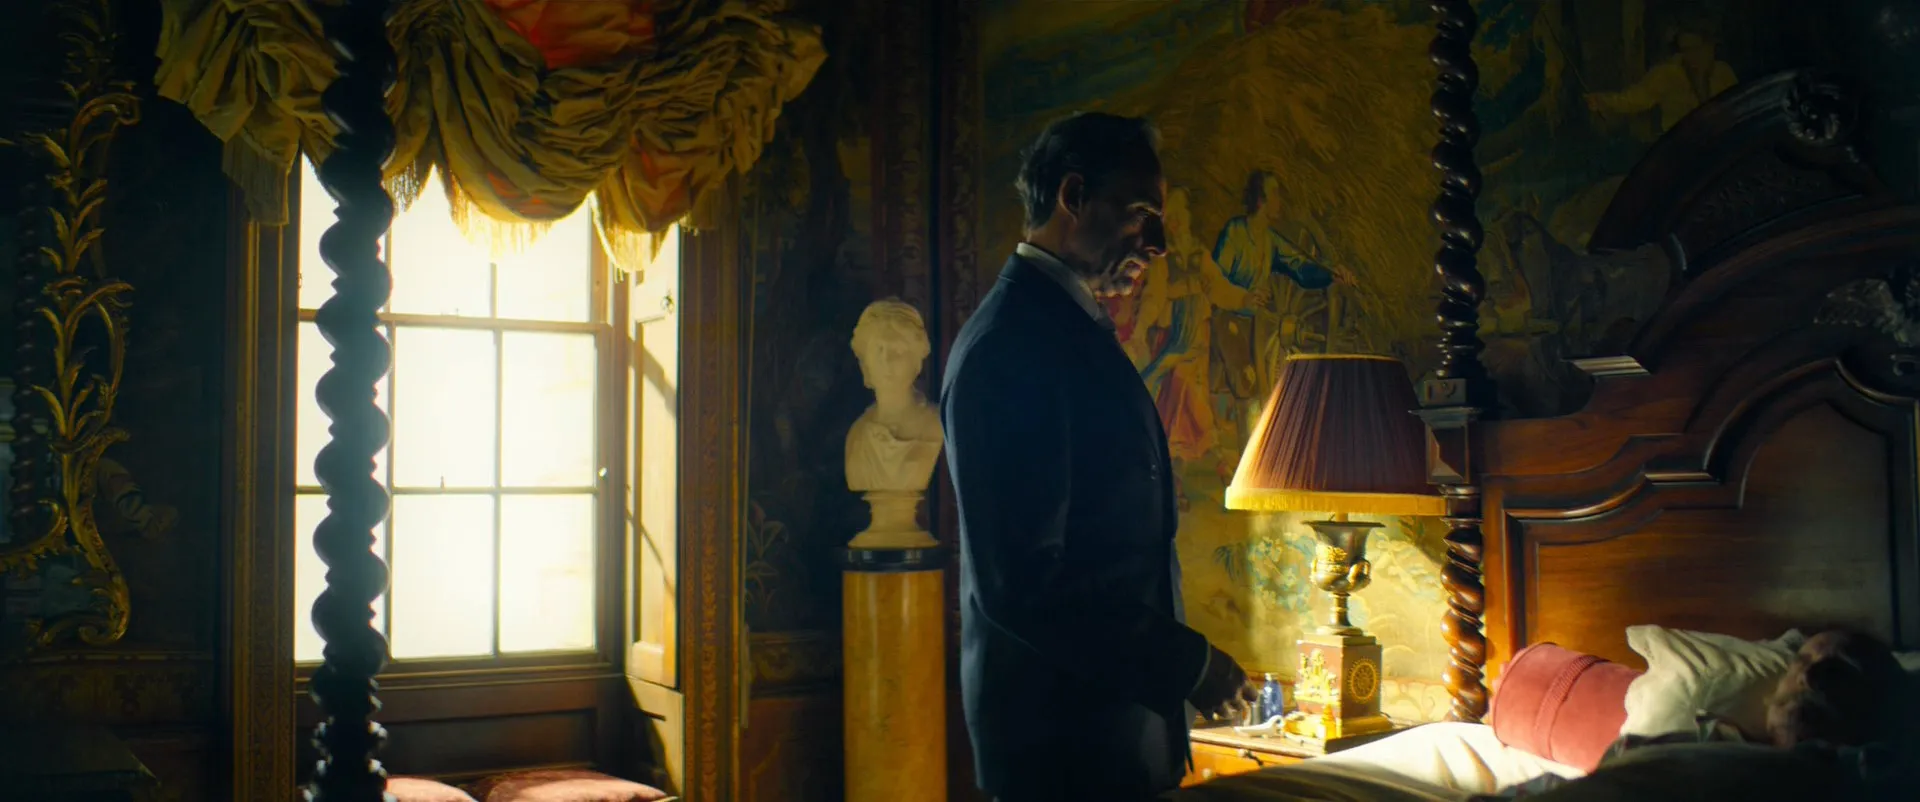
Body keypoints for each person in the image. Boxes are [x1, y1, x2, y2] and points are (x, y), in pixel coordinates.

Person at [941, 112, 1258, 802]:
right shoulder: (1009, 346)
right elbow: (1023, 585)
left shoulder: (1062, 329)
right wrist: (1188, 664)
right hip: (1061, 753)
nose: (1161, 244)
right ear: (1073, 196)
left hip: (1108, 741)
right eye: (1142, 214)